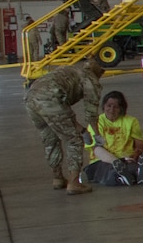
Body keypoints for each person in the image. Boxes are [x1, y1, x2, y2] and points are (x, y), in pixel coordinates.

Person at [24, 56, 106, 193]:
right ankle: (74, 183)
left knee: (50, 140)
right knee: (73, 140)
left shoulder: (69, 70)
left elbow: (63, 114)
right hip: (50, 100)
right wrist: (97, 136)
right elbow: (91, 114)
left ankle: (57, 178)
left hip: (31, 99)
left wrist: (82, 130)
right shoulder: (91, 80)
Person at [82, 90, 143, 186]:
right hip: (102, 160)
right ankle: (129, 176)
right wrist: (113, 160)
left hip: (125, 158)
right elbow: (95, 148)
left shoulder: (131, 121)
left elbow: (140, 143)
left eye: (116, 107)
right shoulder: (96, 123)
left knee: (129, 167)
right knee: (107, 170)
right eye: (108, 106)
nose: (112, 110)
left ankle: (132, 174)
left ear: (122, 109)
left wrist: (136, 153)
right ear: (104, 106)